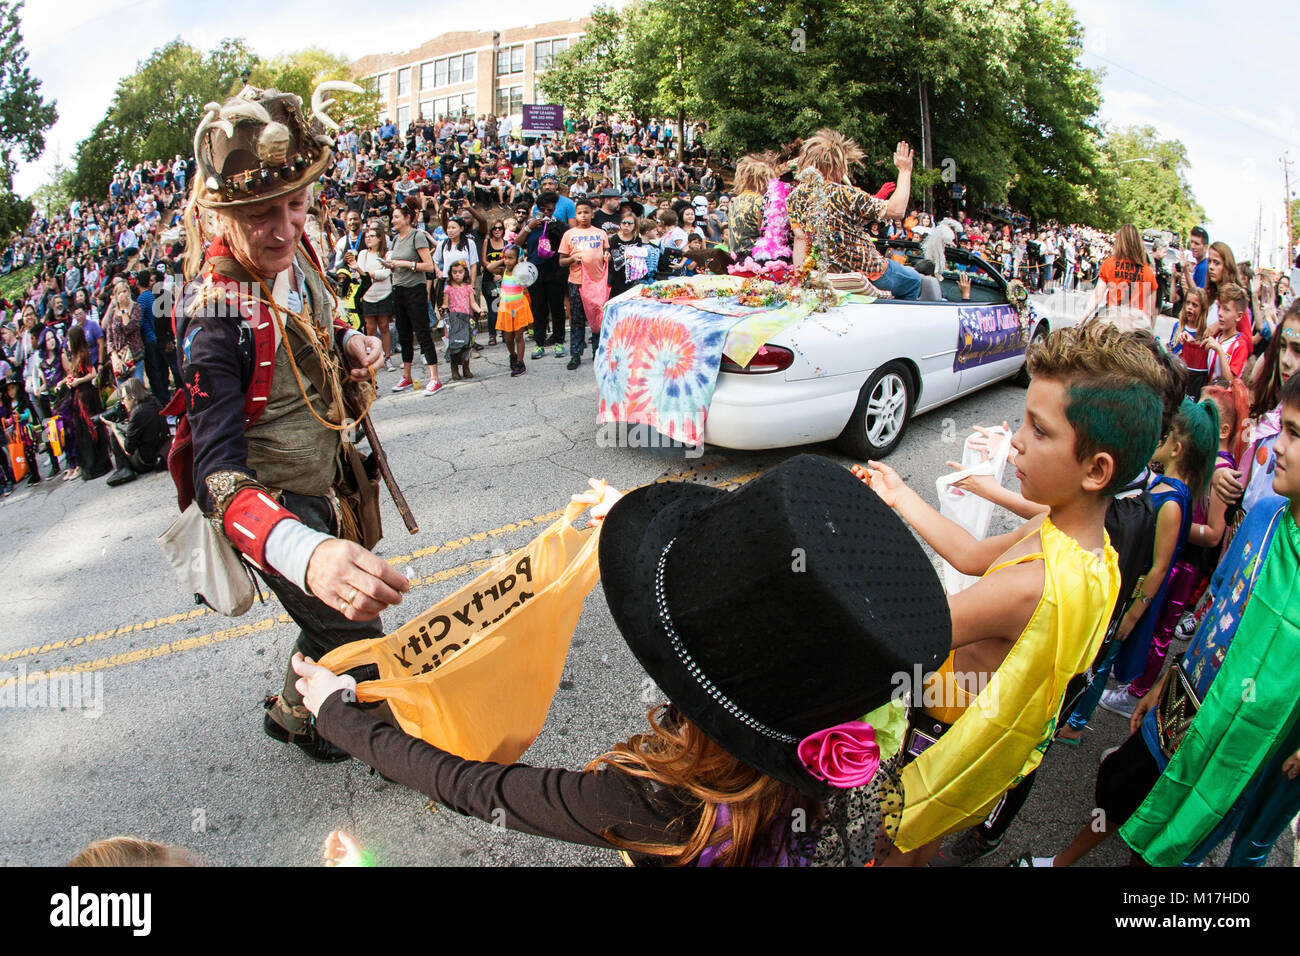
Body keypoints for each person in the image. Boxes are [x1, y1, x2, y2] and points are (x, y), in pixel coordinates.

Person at [291, 454, 952, 866]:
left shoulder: (666, 806)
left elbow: (479, 790)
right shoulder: (833, 735)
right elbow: (772, 577)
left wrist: (339, 716)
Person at [854, 322, 1166, 864]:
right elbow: (976, 557)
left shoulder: (1032, 587)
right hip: (991, 746)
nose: (1016, 440)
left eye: (1039, 431)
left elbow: (910, 631)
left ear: (1096, 469)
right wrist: (899, 495)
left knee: (894, 846)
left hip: (947, 739)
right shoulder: (1085, 544)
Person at [173, 85, 411, 762]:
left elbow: (319, 312)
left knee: (330, 617)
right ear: (220, 216)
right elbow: (216, 480)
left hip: (325, 469)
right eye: (259, 215)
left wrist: (348, 343)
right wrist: (306, 554)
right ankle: (391, 751)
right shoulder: (211, 320)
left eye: (295, 204)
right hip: (274, 505)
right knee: (356, 637)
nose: (283, 228)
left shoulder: (295, 245)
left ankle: (289, 713)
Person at [787, 130, 924, 300]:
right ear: (838, 164)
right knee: (914, 280)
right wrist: (904, 171)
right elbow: (897, 211)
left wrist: (800, 279)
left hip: (830, 276)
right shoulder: (847, 194)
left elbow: (800, 239)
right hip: (869, 272)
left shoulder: (794, 198)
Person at [384, 197, 443, 395]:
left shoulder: (417, 236)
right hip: (398, 289)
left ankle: (434, 377)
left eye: (396, 217)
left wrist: (402, 264)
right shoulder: (395, 239)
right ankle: (406, 376)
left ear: (407, 218)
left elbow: (428, 266)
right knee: (404, 334)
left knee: (423, 332)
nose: (393, 221)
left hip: (415, 290)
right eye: (392, 217)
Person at [558, 197, 608, 371]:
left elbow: (605, 251)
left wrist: (606, 255)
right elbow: (562, 261)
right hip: (577, 282)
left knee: (597, 320)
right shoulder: (569, 235)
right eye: (579, 213)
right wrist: (572, 258)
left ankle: (598, 352)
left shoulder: (601, 233)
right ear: (575, 215)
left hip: (597, 283)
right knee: (577, 319)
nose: (583, 216)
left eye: (586, 212)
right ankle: (576, 354)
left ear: (592, 213)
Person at [1080, 223, 1156, 331]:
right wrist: (1149, 333)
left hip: (1112, 323)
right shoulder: (1148, 272)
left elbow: (1097, 296)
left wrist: (1082, 320)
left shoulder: (1109, 264)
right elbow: (1151, 311)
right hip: (1135, 327)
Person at [104, 377, 168, 487]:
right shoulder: (154, 401)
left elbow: (128, 448)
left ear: (132, 398)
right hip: (160, 451)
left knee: (115, 433)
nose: (123, 403)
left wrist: (114, 427)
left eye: (124, 398)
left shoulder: (138, 413)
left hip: (145, 462)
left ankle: (124, 469)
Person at [354, 225, 395, 373]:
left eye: (372, 236)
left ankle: (387, 357)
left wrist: (368, 274)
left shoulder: (387, 254)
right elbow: (359, 273)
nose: (368, 239)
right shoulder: (363, 254)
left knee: (384, 326)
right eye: (367, 236)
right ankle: (372, 358)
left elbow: (386, 273)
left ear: (379, 238)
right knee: (370, 328)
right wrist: (374, 273)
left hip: (384, 294)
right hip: (368, 296)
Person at [492, 246, 532, 377]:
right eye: (506, 258)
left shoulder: (519, 273)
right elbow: (489, 268)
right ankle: (513, 355)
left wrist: (520, 264)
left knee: (519, 336)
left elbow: (527, 282)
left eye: (511, 258)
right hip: (506, 308)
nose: (507, 261)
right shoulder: (502, 270)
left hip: (518, 307)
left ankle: (520, 363)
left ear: (517, 259)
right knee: (507, 338)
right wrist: (502, 260)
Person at [441, 260, 479, 380]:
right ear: (450, 273)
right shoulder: (448, 289)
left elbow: (472, 303)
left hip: (466, 319)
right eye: (454, 272)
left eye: (460, 272)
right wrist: (443, 309)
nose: (457, 274)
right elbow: (445, 303)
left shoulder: (468, 288)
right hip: (454, 320)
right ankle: (454, 369)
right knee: (455, 345)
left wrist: (479, 310)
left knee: (466, 345)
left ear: (465, 273)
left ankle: (466, 368)